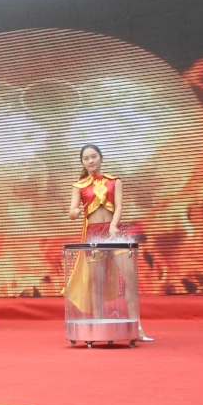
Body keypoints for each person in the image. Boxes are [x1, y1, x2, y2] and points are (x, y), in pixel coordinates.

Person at [65, 145, 151, 341]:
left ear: (101, 158)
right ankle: (98, 327)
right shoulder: (79, 186)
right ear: (82, 162)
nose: (91, 161)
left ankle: (137, 327)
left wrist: (113, 225)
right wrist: (74, 212)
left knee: (130, 279)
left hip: (115, 233)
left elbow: (119, 206)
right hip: (94, 236)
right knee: (97, 284)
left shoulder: (114, 181)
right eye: (86, 158)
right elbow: (72, 212)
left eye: (94, 156)